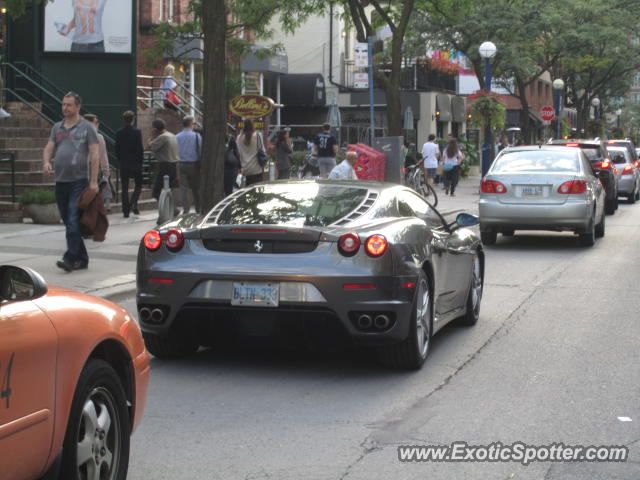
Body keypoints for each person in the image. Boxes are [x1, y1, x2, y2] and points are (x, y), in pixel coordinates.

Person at [42, 92, 99, 272]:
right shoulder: (57, 127)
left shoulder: (87, 128)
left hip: (78, 181)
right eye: (63, 104)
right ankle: (82, 258)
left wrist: (93, 181)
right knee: (68, 221)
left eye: (69, 105)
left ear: (77, 107)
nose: (65, 108)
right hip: (61, 181)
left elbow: (95, 154)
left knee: (73, 220)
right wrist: (46, 161)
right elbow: (49, 147)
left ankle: (70, 258)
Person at [115, 110, 144, 217]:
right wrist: (141, 161)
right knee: (139, 184)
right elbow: (140, 148)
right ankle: (133, 202)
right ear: (133, 119)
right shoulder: (137, 132)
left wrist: (120, 159)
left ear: (124, 119)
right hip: (136, 162)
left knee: (124, 187)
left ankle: (125, 211)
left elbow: (117, 148)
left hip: (124, 163)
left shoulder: (119, 132)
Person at [83, 114, 111, 211]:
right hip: (94, 169)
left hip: (80, 169)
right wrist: (106, 172)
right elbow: (103, 156)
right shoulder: (99, 137)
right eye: (96, 122)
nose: (98, 124)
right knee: (93, 194)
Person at [149, 119, 179, 204]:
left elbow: (150, 146)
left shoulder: (163, 137)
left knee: (157, 190)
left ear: (155, 129)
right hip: (173, 165)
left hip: (165, 166)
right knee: (166, 188)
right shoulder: (172, 135)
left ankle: (170, 208)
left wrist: (152, 136)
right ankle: (170, 208)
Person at [176, 116, 202, 214]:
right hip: (194, 164)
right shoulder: (196, 136)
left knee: (184, 189)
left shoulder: (177, 136)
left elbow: (175, 151)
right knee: (196, 188)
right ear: (191, 124)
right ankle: (198, 208)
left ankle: (186, 210)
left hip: (182, 164)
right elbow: (200, 150)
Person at [236, 119, 264, 186]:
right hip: (256, 170)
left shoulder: (239, 138)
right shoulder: (258, 136)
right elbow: (262, 150)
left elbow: (238, 153)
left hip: (244, 170)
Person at [224, 126, 240, 195]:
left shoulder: (215, 139)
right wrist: (239, 165)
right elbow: (236, 151)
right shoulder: (231, 138)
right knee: (229, 188)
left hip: (220, 167)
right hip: (230, 167)